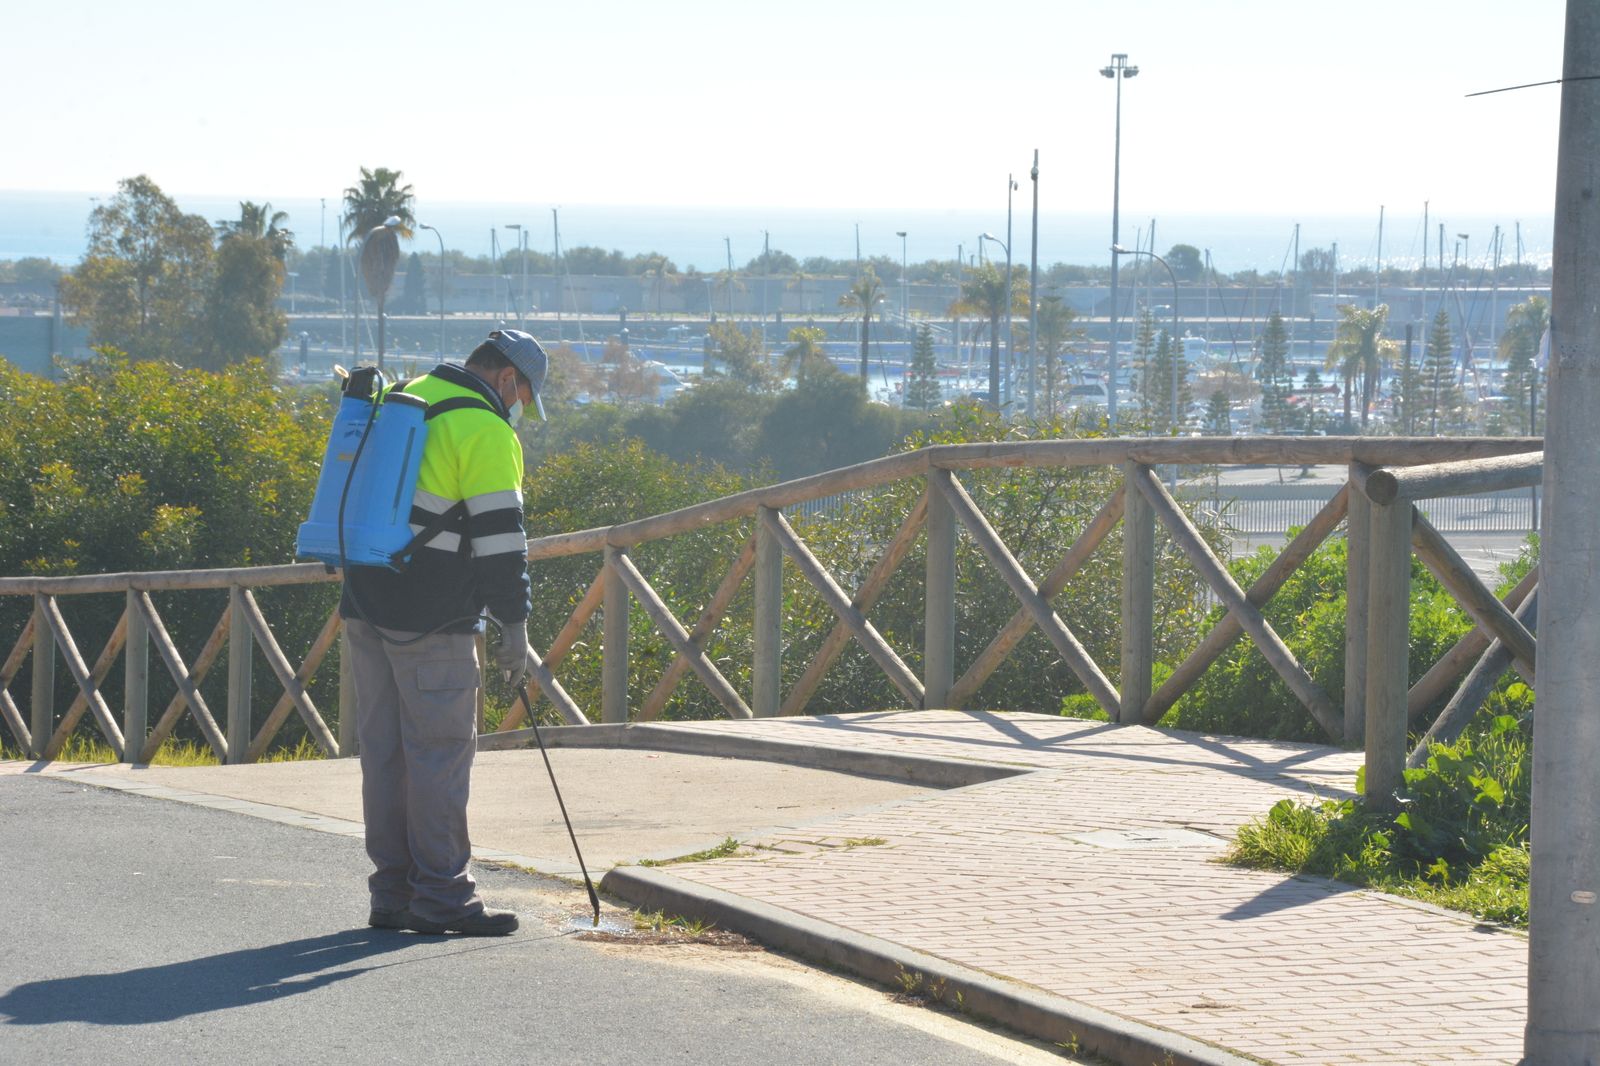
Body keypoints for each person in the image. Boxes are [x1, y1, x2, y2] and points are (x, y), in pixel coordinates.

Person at [341, 328, 547, 936]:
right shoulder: (485, 429)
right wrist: (516, 624)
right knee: (438, 755)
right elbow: (502, 543)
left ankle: (393, 893)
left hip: (364, 602)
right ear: (508, 379)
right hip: (433, 618)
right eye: (526, 397)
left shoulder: (406, 395)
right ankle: (444, 897)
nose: (522, 409)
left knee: (385, 754)